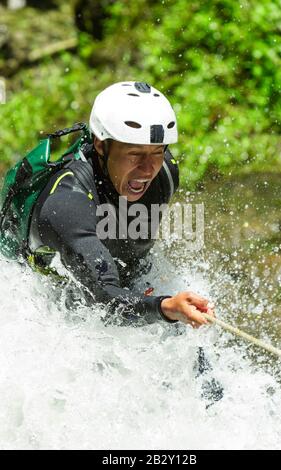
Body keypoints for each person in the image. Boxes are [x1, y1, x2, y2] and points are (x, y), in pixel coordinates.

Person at [28, 81, 215, 327]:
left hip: (119, 287)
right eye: (135, 154)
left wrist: (172, 305)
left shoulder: (165, 174)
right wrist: (166, 307)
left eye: (157, 152)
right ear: (100, 145)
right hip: (51, 302)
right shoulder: (67, 203)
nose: (148, 169)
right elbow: (104, 299)